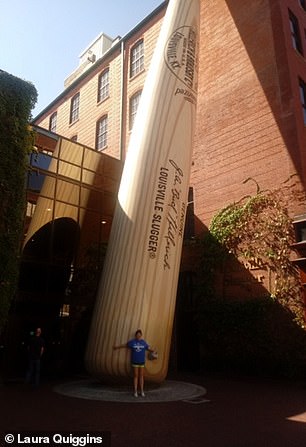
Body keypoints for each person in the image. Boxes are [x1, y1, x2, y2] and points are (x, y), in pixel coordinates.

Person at [113, 329, 157, 397]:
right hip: (135, 361)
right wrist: (117, 347)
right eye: (137, 335)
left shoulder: (143, 342)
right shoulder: (132, 342)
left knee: (141, 376)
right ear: (135, 335)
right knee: (136, 376)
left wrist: (153, 350)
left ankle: (142, 391)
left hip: (142, 361)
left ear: (141, 335)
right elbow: (125, 345)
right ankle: (135, 391)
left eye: (140, 335)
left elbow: (148, 348)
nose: (138, 336)